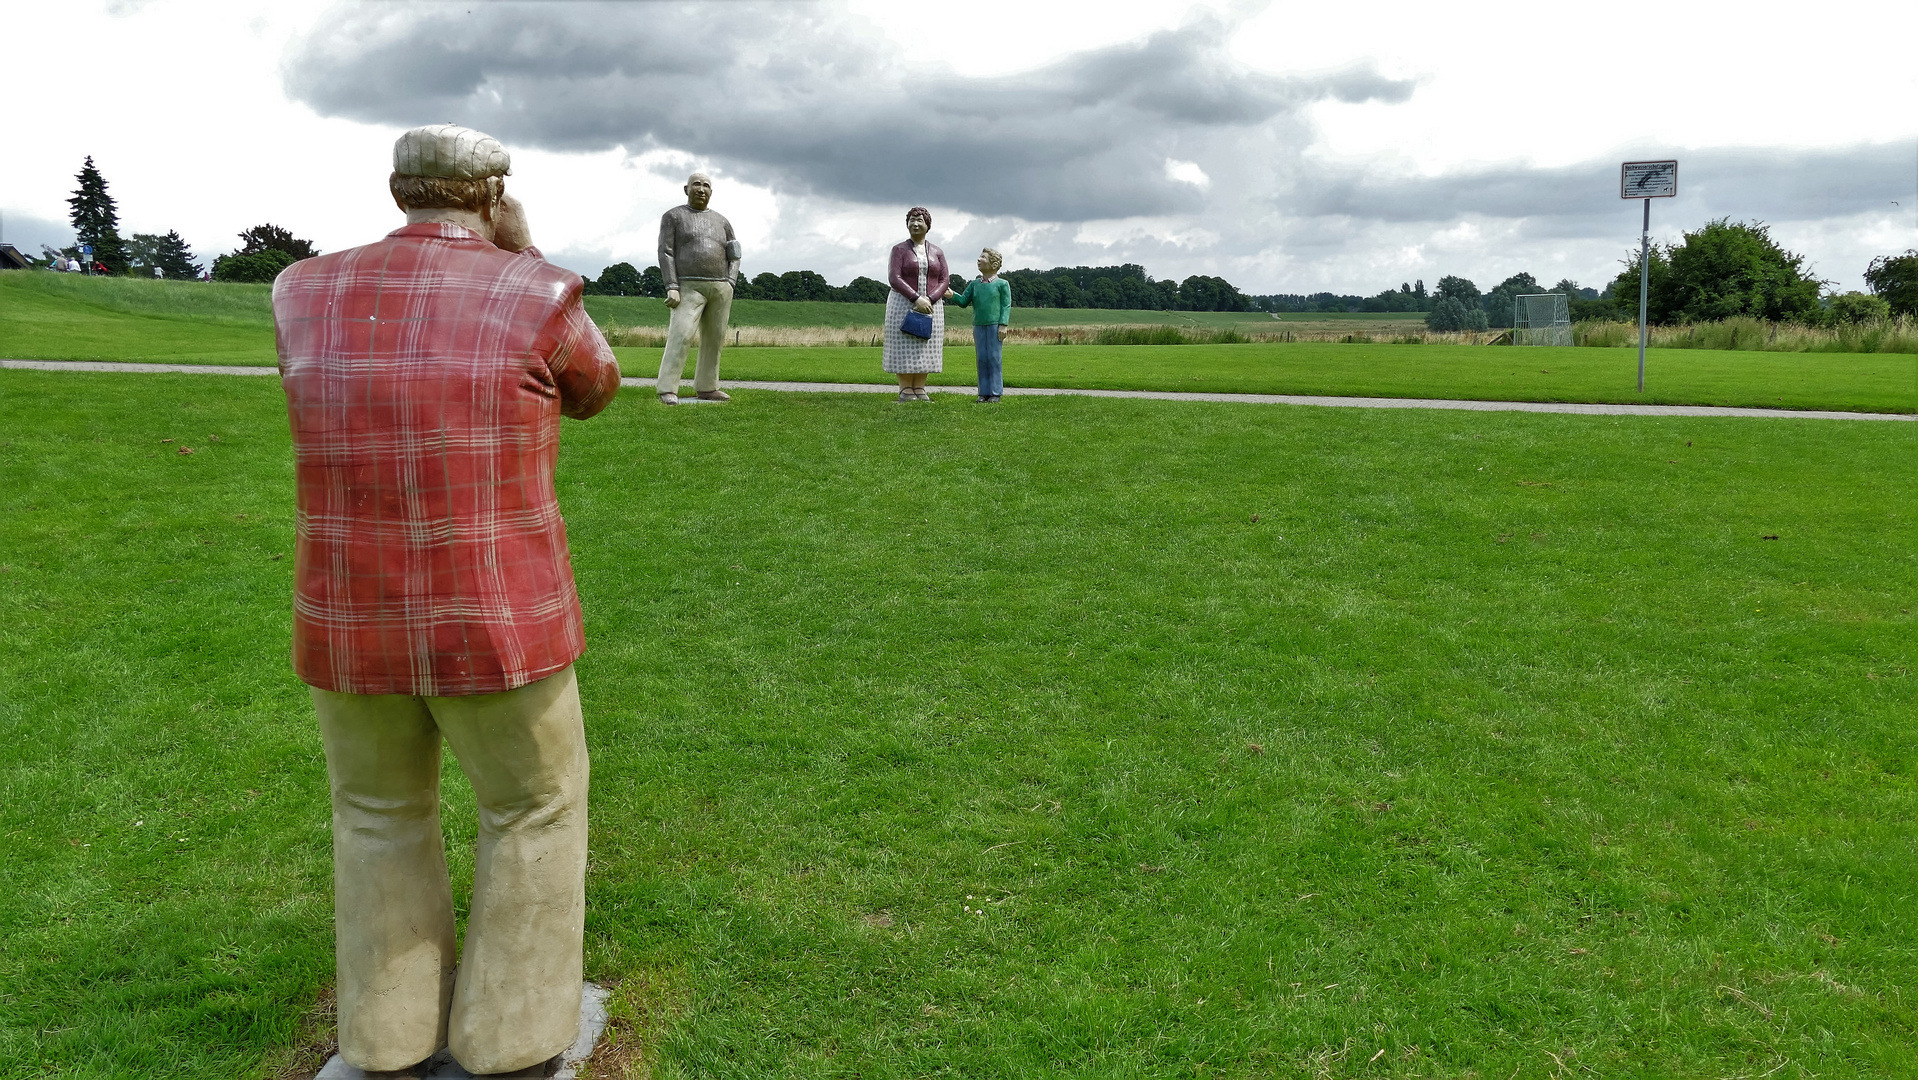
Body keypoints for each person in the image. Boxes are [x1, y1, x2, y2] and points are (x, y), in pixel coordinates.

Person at [271, 123, 620, 1077]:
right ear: (493, 191)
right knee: (535, 808)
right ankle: (511, 1037)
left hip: (344, 611)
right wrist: (527, 251)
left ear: (397, 190)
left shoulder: (298, 289)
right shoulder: (542, 290)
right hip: (499, 615)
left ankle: (384, 1038)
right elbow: (596, 387)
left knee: (376, 813)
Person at [655, 171, 741, 405]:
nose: (701, 189)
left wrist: (730, 282)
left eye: (706, 186)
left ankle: (708, 386)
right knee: (681, 335)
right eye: (696, 185)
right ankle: (667, 388)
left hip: (720, 287)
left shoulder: (722, 222)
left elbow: (735, 254)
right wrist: (672, 285)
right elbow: (666, 252)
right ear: (686, 189)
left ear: (711, 192)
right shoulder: (674, 216)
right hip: (688, 286)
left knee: (715, 338)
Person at [883, 207, 948, 402]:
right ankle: (905, 389)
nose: (915, 224)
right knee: (903, 344)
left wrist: (931, 298)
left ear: (928, 224)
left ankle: (920, 387)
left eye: (919, 220)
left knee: (925, 346)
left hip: (931, 306)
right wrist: (915, 298)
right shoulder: (899, 250)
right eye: (912, 220)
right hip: (903, 303)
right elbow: (894, 277)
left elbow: (945, 279)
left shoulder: (937, 251)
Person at [944, 247, 1011, 402]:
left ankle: (995, 392)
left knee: (994, 357)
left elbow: (1006, 305)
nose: (978, 260)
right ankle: (983, 392)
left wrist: (1003, 324)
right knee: (981, 358)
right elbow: (963, 301)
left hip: (995, 326)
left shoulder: (1002, 284)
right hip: (979, 325)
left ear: (994, 264)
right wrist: (952, 295)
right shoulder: (974, 284)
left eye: (983, 257)